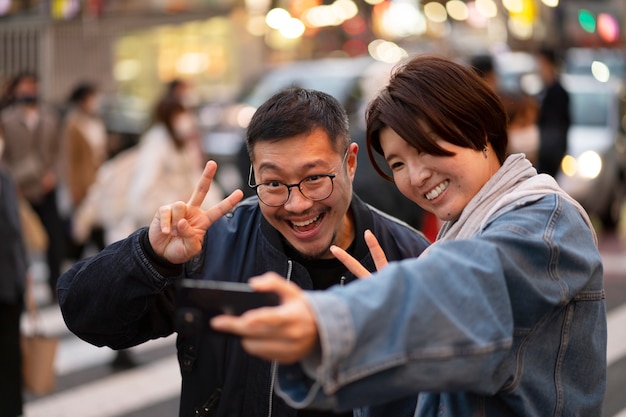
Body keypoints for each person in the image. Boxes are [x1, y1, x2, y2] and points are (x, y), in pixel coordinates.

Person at [210, 55, 607, 417]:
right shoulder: (461, 234)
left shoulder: (544, 222)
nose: (416, 176)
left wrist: (331, 319)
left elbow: (469, 283)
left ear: (481, 129)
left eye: (427, 147)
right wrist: (388, 335)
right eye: (398, 162)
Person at [58, 87, 431, 417]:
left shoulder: (412, 258)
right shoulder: (210, 246)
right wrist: (150, 256)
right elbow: (86, 315)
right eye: (273, 183)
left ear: (349, 163)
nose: (297, 204)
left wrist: (400, 333)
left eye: (315, 178)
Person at [0, 71, 65, 302]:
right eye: (25, 86)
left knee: (54, 240)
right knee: (22, 242)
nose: (29, 91)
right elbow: (3, 156)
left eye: (33, 86)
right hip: (19, 190)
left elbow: (59, 151)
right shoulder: (7, 119)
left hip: (46, 187)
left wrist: (53, 175)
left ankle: (56, 287)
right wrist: (9, 185)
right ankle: (23, 288)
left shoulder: (50, 117)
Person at [60, 82, 109, 259]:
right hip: (83, 183)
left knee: (94, 227)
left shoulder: (96, 121)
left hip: (99, 181)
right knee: (83, 228)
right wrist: (74, 187)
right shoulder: (73, 124)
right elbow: (70, 159)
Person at [0, 164, 29, 417]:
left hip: (10, 281)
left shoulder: (6, 177)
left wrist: (24, 270)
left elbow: (16, 230)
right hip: (6, 281)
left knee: (10, 353)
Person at [535, 47, 571, 178]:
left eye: (541, 64)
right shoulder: (545, 91)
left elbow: (557, 128)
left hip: (550, 156)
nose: (538, 69)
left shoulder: (558, 93)